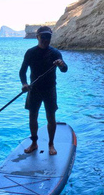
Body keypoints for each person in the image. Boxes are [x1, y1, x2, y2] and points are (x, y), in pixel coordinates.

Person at [19, 25, 68, 155]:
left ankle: (51, 144)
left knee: (51, 117)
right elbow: (22, 71)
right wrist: (24, 84)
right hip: (34, 89)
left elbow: (64, 70)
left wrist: (62, 64)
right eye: (43, 36)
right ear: (37, 37)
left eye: (48, 37)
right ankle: (34, 143)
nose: (46, 39)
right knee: (32, 116)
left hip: (49, 89)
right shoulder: (30, 52)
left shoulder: (55, 53)